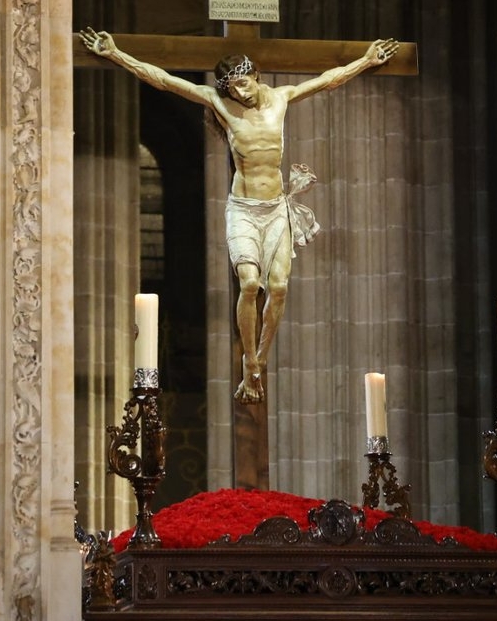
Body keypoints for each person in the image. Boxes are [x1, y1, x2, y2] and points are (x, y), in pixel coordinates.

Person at [79, 28, 400, 403]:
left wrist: (365, 61)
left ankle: (258, 362)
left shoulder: (280, 99)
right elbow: (164, 80)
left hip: (276, 207)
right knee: (250, 284)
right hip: (244, 210)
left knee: (278, 288)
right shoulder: (222, 105)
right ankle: (249, 358)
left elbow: (327, 80)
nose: (241, 94)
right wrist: (117, 55)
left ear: (256, 75)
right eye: (233, 90)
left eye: (244, 84)